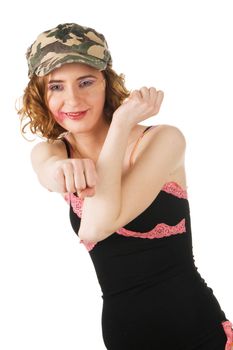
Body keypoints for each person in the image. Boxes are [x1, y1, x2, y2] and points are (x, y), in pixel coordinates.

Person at [18, 22, 233, 350]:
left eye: (86, 82)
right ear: (41, 94)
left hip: (197, 331)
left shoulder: (163, 140)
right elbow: (48, 170)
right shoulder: (52, 152)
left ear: (107, 82)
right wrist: (60, 169)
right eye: (56, 87)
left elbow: (94, 228)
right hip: (125, 337)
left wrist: (120, 124)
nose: (72, 99)